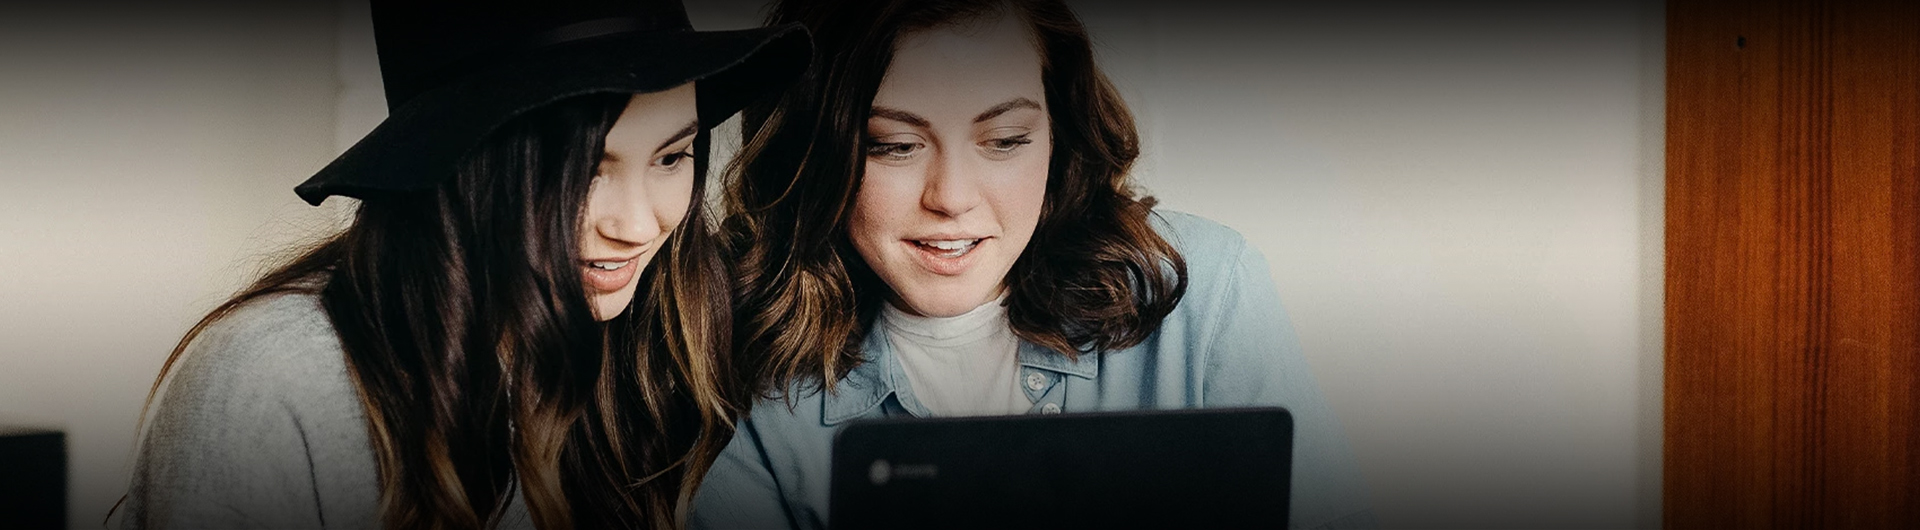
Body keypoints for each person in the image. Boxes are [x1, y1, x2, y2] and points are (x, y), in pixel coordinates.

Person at [113, 0, 810, 528]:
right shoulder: (277, 380)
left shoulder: (666, 340)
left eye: (671, 157)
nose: (635, 225)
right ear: (465, 169)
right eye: (584, 173)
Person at [691, 1, 1374, 528]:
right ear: (818, 155)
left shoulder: (1204, 286)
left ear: (1058, 137)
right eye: (895, 146)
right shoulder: (731, 343)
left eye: (1005, 139)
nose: (952, 198)